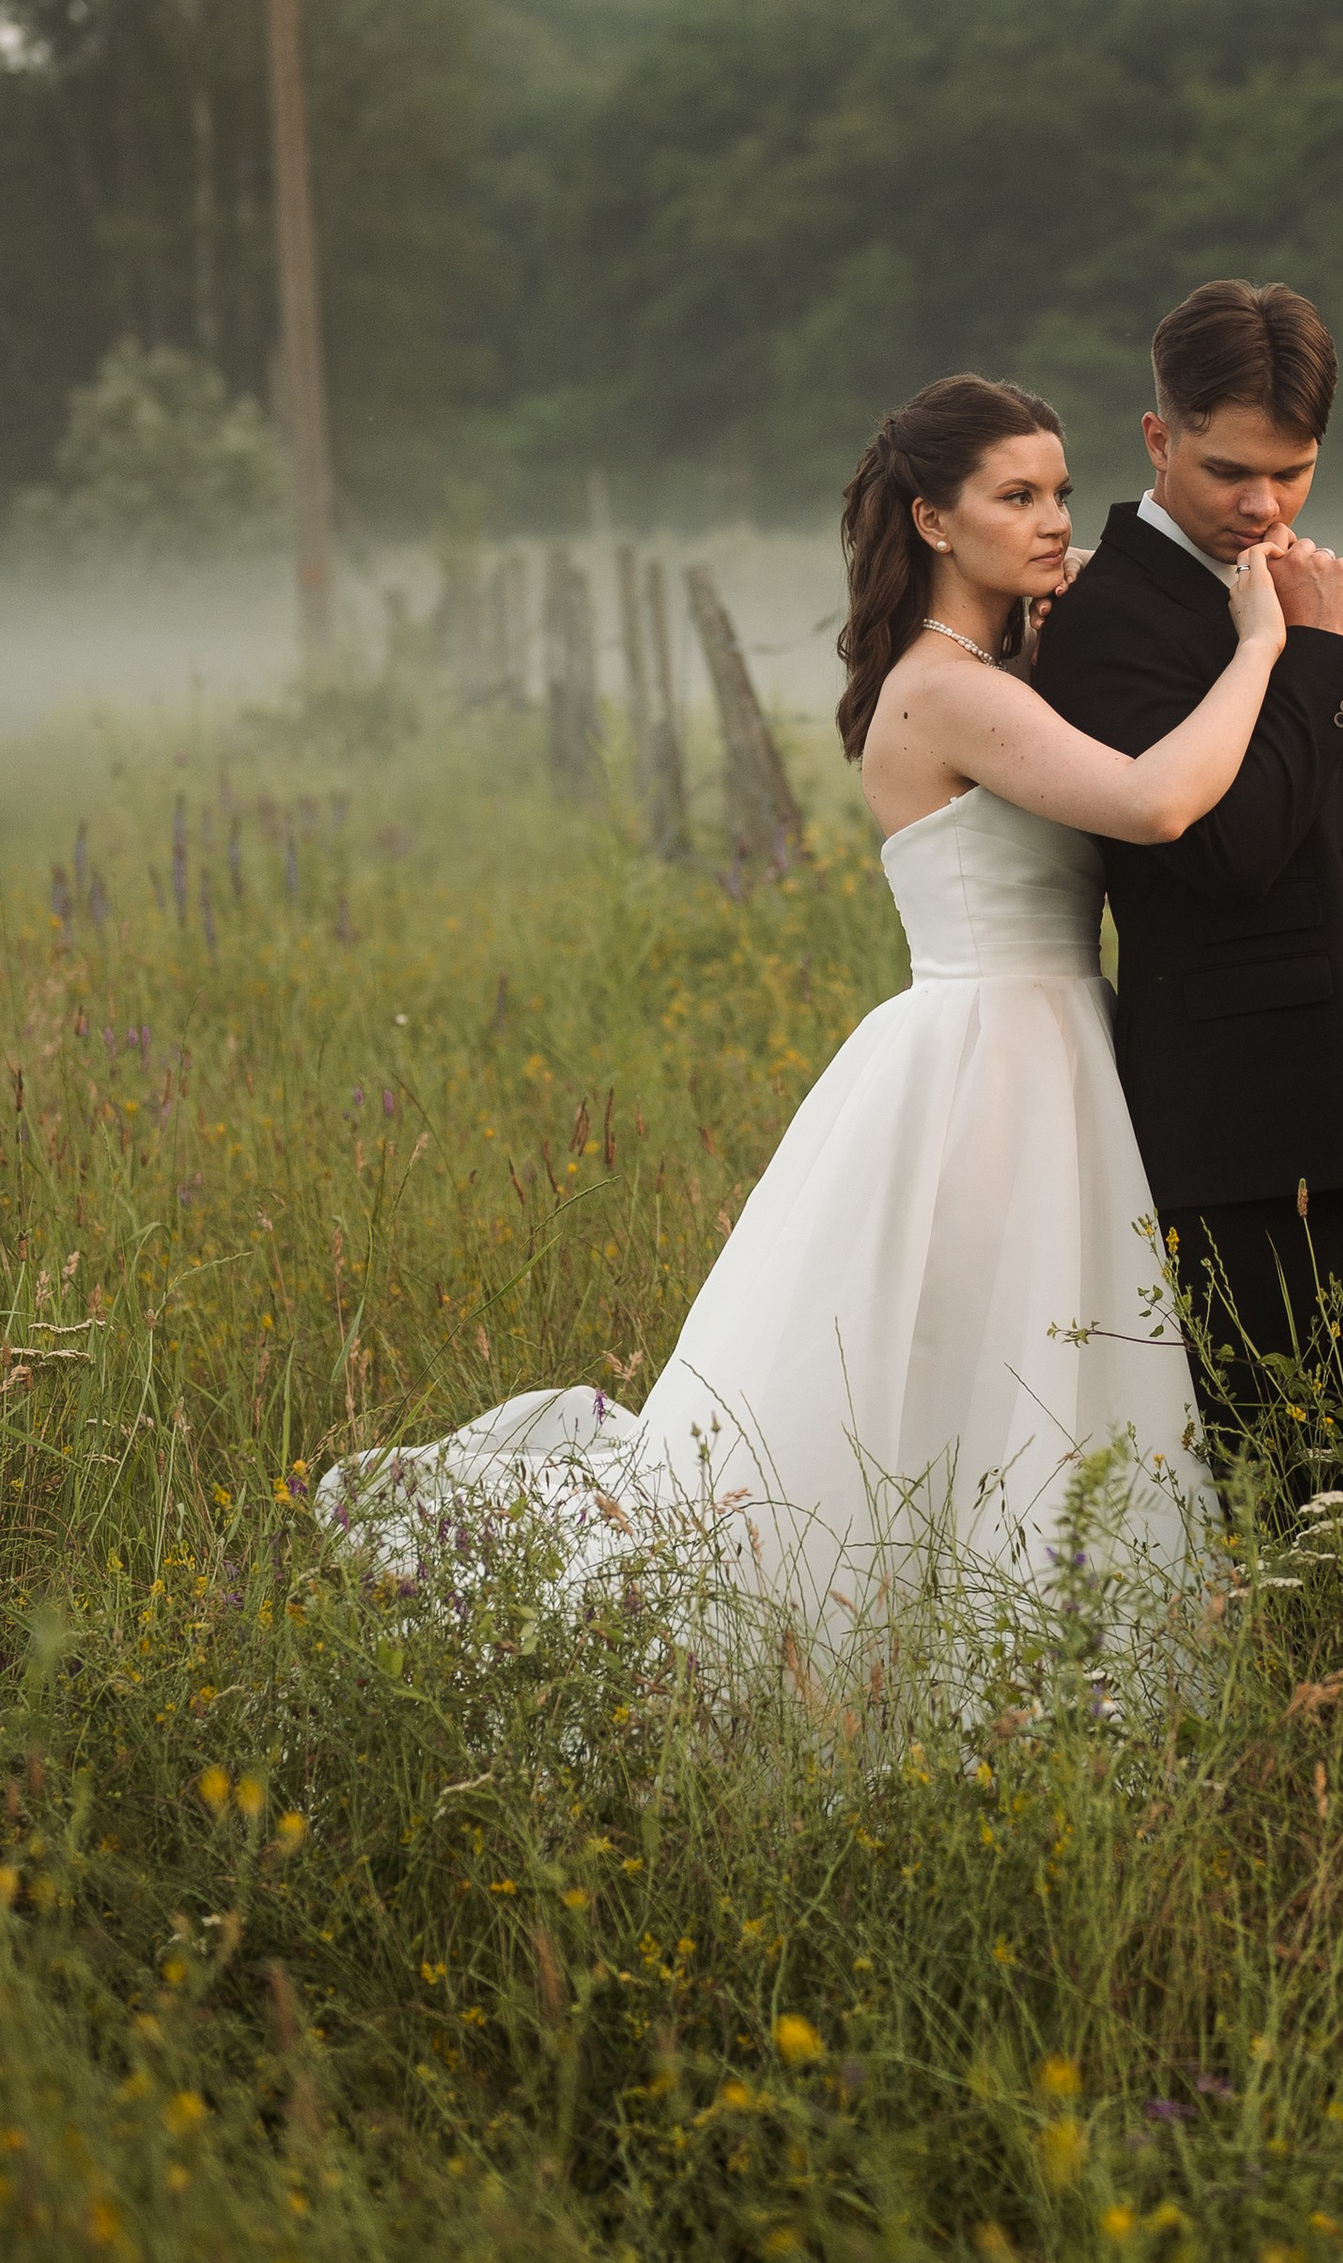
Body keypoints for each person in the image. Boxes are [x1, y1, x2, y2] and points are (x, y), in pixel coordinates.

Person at [330, 373, 1291, 1625]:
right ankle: (949, 1628)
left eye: (1059, 490)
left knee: (1019, 1360)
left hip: (1054, 1040)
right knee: (969, 1353)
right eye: (1016, 495)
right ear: (933, 521)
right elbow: (1160, 803)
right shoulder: (945, 688)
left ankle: (1015, 1617)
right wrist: (1268, 639)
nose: (1055, 518)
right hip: (988, 1055)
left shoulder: (1008, 662)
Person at [1033, 278, 1343, 1443]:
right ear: (1158, 438)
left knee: (1329, 1465)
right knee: (1263, 1473)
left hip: (1339, 1117)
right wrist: (1312, 653)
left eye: (1294, 469)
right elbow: (1228, 853)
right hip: (1236, 1132)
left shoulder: (1274, 584)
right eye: (1227, 471)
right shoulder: (1110, 617)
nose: (1264, 505)